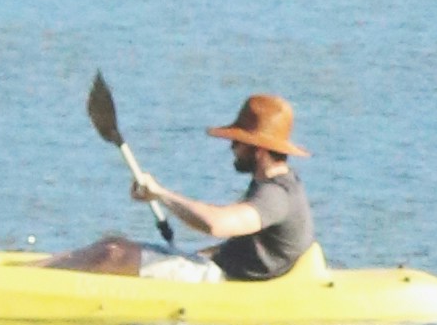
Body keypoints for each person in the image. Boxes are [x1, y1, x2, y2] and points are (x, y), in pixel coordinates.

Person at [52, 95, 319, 284]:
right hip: (219, 269)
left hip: (224, 282)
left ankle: (27, 282)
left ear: (258, 149)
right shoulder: (271, 182)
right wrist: (194, 255)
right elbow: (248, 246)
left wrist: (161, 194)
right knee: (110, 243)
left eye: (238, 142)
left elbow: (217, 225)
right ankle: (27, 272)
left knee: (112, 255)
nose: (232, 148)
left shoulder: (276, 195)